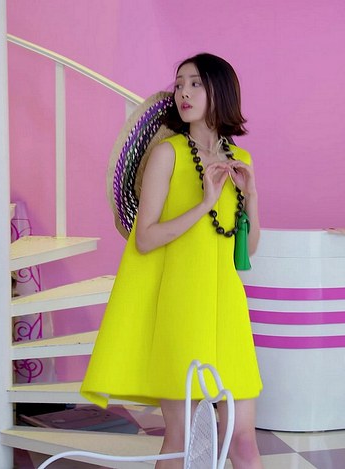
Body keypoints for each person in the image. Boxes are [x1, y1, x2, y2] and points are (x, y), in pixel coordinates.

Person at [81, 53, 263, 469]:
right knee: (181, 440)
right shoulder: (168, 154)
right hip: (181, 310)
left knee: (243, 442)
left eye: (195, 83)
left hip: (228, 311)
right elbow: (145, 239)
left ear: (220, 90)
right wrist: (204, 204)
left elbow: (247, 251)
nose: (183, 92)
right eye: (180, 84)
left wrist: (251, 195)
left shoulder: (241, 160)